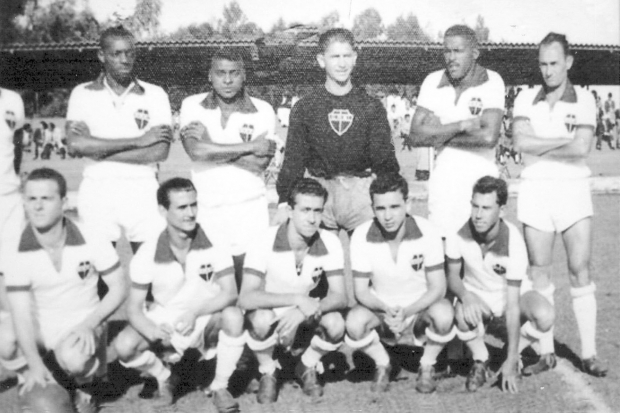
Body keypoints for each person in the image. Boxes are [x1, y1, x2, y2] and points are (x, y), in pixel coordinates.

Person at [512, 32, 607, 377]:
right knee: (539, 270)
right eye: (543, 64)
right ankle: (546, 352)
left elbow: (582, 148)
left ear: (568, 62)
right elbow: (519, 141)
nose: (548, 71)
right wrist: (561, 142)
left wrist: (539, 143)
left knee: (579, 270)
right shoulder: (525, 98)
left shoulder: (585, 99)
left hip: (573, 191)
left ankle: (590, 353)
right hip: (536, 189)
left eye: (554, 63)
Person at [0, 168, 127, 412]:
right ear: (24, 202)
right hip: (40, 327)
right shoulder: (14, 248)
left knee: (75, 359)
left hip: (81, 322)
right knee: (4, 338)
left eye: (46, 199)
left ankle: (86, 385)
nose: (38, 207)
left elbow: (118, 287)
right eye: (31, 199)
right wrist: (34, 365)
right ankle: (36, 378)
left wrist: (91, 323)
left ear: (64, 202)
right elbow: (20, 314)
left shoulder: (91, 236)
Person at [114, 178, 244, 412]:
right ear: (163, 210)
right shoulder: (147, 252)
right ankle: (164, 377)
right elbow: (133, 308)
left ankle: (219, 386)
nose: (191, 213)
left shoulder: (215, 239)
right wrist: (152, 330)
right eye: (182, 207)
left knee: (233, 316)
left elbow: (230, 293)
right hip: (167, 320)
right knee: (124, 346)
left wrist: (195, 312)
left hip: (206, 315)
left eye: (194, 205)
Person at [275, 28, 399, 234]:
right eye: (335, 56)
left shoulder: (370, 106)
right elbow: (293, 160)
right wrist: (283, 201)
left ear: (355, 58)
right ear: (321, 60)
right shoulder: (306, 107)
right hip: (319, 192)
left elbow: (384, 159)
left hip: (360, 191)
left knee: (367, 261)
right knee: (319, 262)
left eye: (346, 56)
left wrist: (392, 196)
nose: (342, 63)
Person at [238, 178, 347, 403]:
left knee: (336, 323)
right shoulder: (263, 241)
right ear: (289, 211)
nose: (312, 218)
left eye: (318, 211)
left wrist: (303, 309)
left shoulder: (330, 241)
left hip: (306, 313)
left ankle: (305, 366)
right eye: (305, 210)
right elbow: (246, 297)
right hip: (273, 314)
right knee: (259, 320)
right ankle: (268, 370)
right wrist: (297, 299)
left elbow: (340, 296)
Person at [66, 25, 173, 253]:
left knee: (152, 270)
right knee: (101, 273)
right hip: (97, 189)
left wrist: (96, 147)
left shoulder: (155, 94)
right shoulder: (82, 93)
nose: (125, 60)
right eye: (117, 54)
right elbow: (75, 145)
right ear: (101, 55)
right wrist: (138, 141)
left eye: (130, 53)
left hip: (142, 188)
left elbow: (159, 152)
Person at [345, 173, 455, 394]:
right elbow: (361, 291)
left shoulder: (427, 231)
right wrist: (386, 310)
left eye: (394, 207)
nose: (387, 216)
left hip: (419, 312)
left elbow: (438, 287)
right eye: (381, 208)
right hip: (383, 313)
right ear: (372, 208)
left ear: (408, 203)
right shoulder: (361, 235)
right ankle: (384, 363)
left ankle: (427, 365)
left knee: (444, 314)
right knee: (354, 322)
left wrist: (408, 311)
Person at [446, 176, 555, 394]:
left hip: (509, 298)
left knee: (545, 315)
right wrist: (466, 296)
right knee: (459, 313)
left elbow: (513, 305)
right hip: (478, 296)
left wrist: (513, 357)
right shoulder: (458, 232)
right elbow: (452, 277)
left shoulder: (513, 241)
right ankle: (482, 359)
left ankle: (512, 352)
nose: (478, 215)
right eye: (475, 206)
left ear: (502, 210)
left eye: (486, 208)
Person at [180, 48, 277, 289]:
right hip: (207, 210)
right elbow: (196, 152)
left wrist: (211, 143)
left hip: (249, 209)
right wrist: (250, 146)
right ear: (209, 76)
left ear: (243, 75)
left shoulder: (263, 109)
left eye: (234, 73)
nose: (227, 80)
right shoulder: (192, 105)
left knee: (250, 286)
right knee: (211, 287)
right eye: (220, 73)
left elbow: (260, 163)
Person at [409, 24, 505, 236]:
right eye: (447, 51)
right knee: (443, 259)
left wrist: (438, 134)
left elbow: (489, 137)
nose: (451, 57)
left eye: (458, 51)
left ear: (475, 53)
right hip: (443, 187)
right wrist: (459, 126)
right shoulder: (432, 81)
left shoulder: (492, 81)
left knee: (478, 262)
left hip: (481, 188)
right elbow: (415, 135)